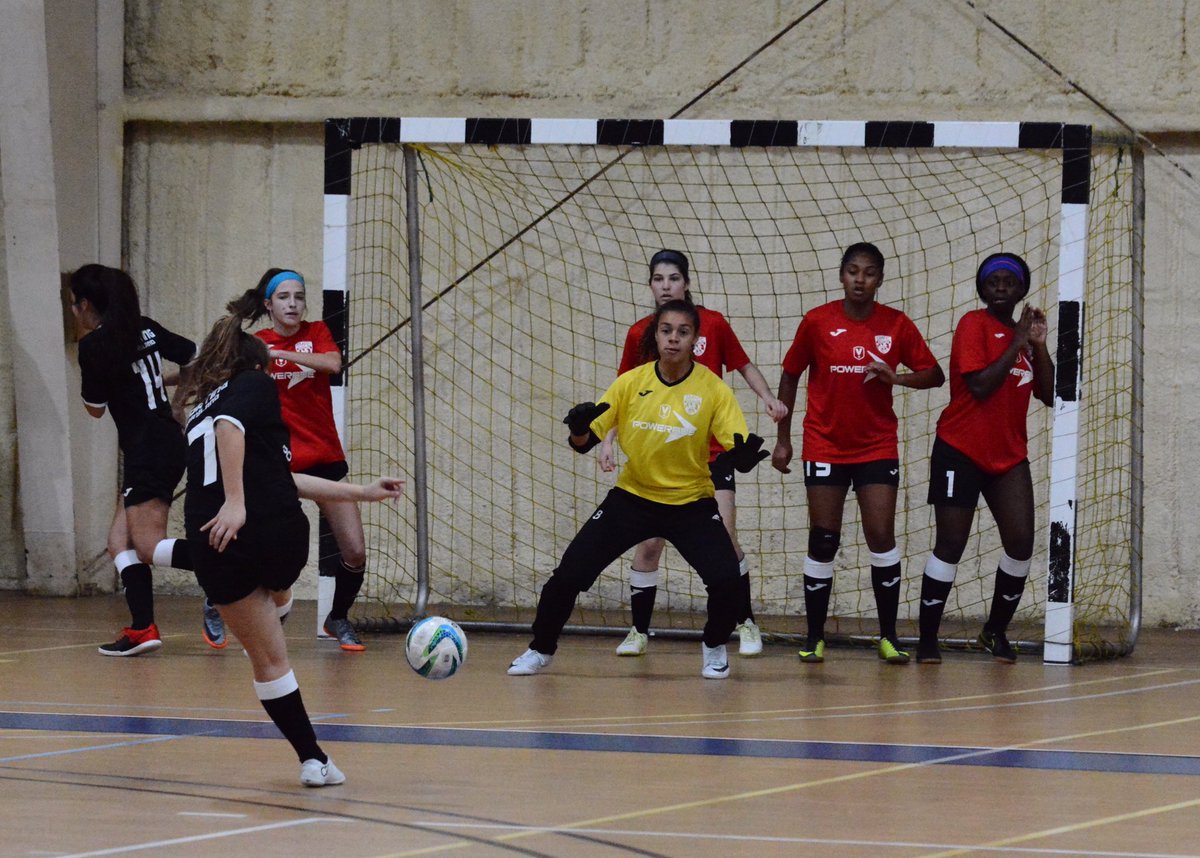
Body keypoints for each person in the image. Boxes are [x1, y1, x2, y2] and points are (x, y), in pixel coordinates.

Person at [178, 305, 403, 786]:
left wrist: (360, 492)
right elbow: (230, 428)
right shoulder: (252, 384)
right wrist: (236, 502)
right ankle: (278, 604)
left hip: (210, 539)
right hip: (267, 530)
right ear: (258, 364)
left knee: (269, 662)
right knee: (277, 592)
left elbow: (283, 476)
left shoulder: (200, 406)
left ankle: (313, 760)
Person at [507, 299, 769, 680]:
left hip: (690, 503)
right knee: (569, 574)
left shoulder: (713, 388)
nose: (673, 338)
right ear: (655, 336)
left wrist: (741, 458)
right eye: (666, 330)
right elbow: (584, 443)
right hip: (632, 498)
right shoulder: (631, 383)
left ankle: (714, 646)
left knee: (728, 580)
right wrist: (578, 430)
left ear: (695, 340)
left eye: (683, 332)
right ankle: (540, 648)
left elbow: (735, 445)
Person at [600, 249, 787, 658]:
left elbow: (744, 365)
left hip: (711, 455)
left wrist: (768, 398)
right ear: (651, 285)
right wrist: (608, 439)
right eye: (658, 279)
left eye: (673, 278)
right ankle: (638, 631)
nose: (666, 286)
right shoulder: (640, 334)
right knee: (649, 543)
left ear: (686, 283)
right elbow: (620, 396)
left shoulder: (713, 324)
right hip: (657, 459)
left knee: (725, 540)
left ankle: (745, 622)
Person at [772, 242, 945, 665]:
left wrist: (896, 378)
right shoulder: (817, 322)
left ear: (880, 279)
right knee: (823, 539)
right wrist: (783, 438)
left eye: (869, 272)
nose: (860, 280)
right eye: (853, 271)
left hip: (876, 446)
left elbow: (935, 375)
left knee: (881, 536)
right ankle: (814, 637)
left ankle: (888, 637)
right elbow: (790, 374)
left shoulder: (896, 324)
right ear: (841, 275)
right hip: (825, 444)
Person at [915, 252, 1053, 664]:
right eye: (993, 281)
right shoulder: (972, 325)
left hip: (1008, 456)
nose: (1001, 286)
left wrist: (1039, 346)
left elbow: (1049, 394)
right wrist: (1017, 341)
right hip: (960, 450)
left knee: (1021, 543)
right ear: (982, 289)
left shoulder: (1023, 340)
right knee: (951, 544)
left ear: (1022, 290)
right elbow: (979, 386)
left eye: (1009, 281)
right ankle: (927, 638)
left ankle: (994, 631)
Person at [221, 268, 367, 652]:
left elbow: (333, 364)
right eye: (284, 297)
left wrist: (280, 355)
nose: (292, 304)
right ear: (268, 304)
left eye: (299, 297)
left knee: (354, 550)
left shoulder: (316, 332)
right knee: (265, 547)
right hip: (279, 462)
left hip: (324, 456)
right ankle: (221, 600)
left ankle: (338, 617)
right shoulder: (255, 343)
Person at [70, 264, 199, 656]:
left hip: (147, 451)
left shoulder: (94, 347)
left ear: (86, 304)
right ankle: (143, 627)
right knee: (118, 542)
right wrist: (177, 403)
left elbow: (94, 409)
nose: (73, 311)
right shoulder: (145, 327)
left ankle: (239, 562)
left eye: (73, 304)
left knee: (147, 545)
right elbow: (191, 355)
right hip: (165, 442)